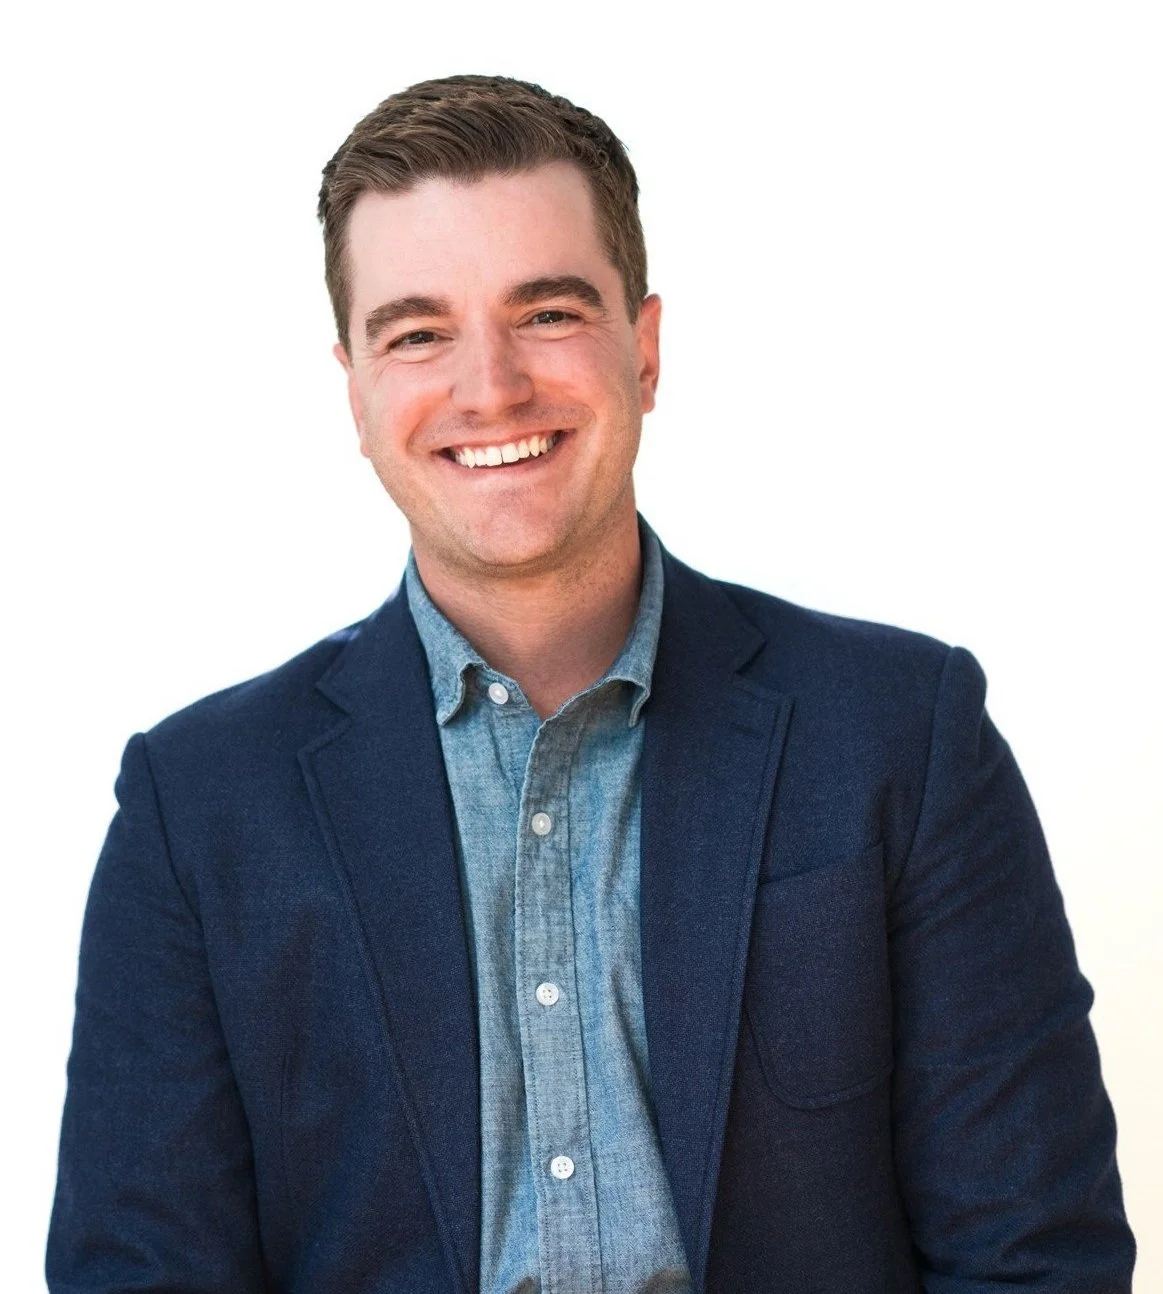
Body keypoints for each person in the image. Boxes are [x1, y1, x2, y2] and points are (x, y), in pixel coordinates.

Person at [47, 74, 1135, 1294]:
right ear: (353, 386)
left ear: (646, 348)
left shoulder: (900, 735)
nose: (490, 387)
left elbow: (1033, 1256)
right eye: (417, 332)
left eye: (548, 311)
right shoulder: (196, 812)